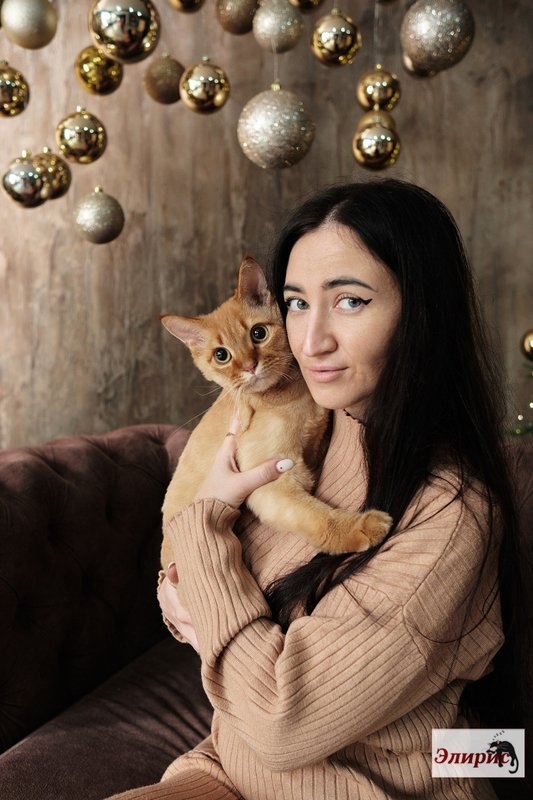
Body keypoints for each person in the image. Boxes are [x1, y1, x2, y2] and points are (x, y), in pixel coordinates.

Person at [105, 179, 522, 799]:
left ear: (423, 312)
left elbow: (282, 723)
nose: (310, 340)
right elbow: (202, 594)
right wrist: (177, 590)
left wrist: (204, 528)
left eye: (350, 301)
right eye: (297, 303)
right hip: (227, 767)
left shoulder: (450, 512)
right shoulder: (307, 425)